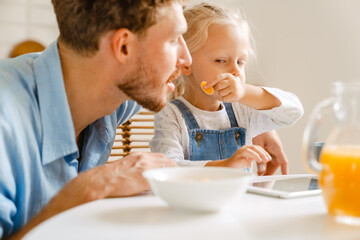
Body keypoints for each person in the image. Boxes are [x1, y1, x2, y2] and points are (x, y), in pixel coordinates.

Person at [0, 0, 192, 239]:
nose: (186, 60)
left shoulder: (111, 89)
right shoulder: (5, 124)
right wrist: (86, 191)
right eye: (174, 40)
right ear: (123, 47)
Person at [150, 3, 303, 174]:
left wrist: (246, 93)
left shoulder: (243, 109)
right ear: (186, 65)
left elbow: (295, 111)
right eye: (221, 60)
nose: (235, 71)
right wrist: (225, 166)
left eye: (240, 62)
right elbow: (166, 168)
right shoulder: (170, 115)